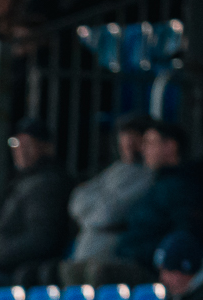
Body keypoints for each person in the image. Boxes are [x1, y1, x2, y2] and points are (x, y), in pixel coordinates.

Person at [0, 117, 74, 287]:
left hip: (24, 273)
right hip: (5, 268)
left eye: (28, 144)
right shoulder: (23, 182)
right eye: (16, 143)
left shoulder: (48, 183)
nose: (20, 150)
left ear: (46, 147)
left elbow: (42, 238)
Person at [60, 113, 154, 284]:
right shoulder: (114, 170)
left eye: (133, 137)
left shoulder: (148, 175)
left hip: (112, 251)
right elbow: (77, 201)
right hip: (86, 247)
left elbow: (110, 213)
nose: (127, 143)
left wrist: (91, 213)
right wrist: (98, 209)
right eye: (124, 137)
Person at [112, 121, 203, 278]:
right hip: (130, 258)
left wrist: (147, 255)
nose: (143, 149)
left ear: (170, 146)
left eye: (150, 143)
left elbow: (183, 234)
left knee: (98, 272)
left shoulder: (183, 187)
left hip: (153, 267)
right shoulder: (157, 182)